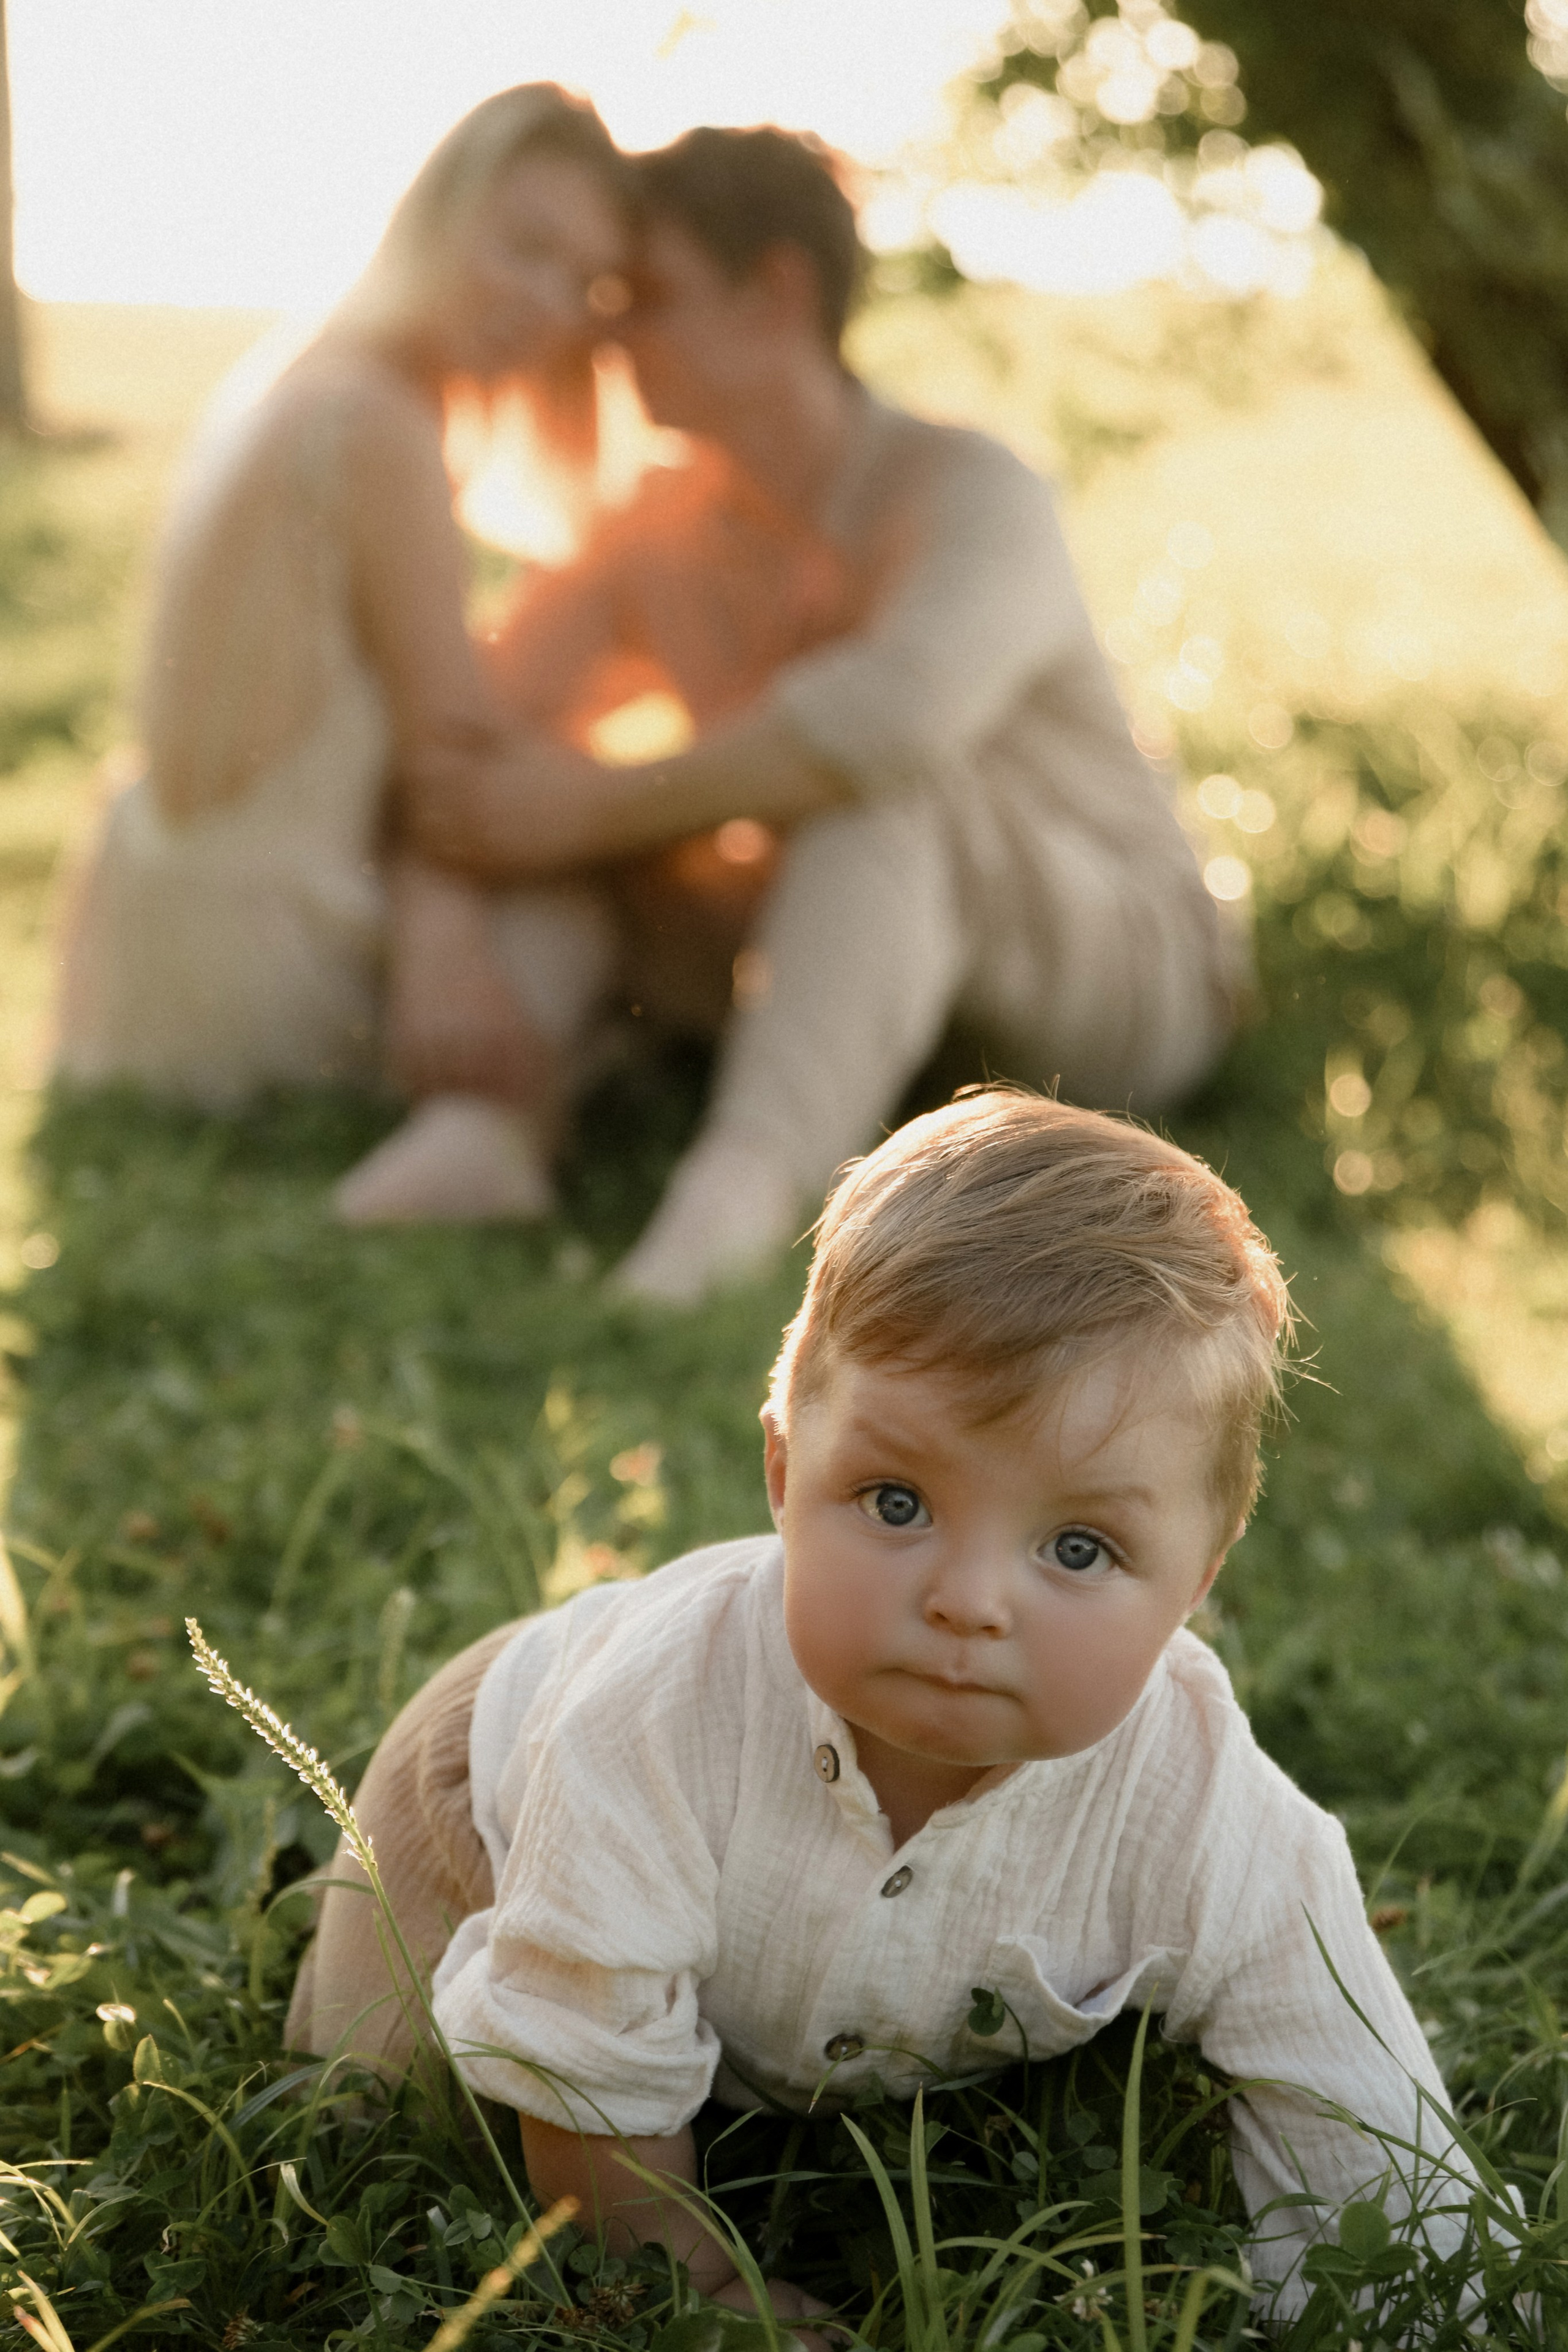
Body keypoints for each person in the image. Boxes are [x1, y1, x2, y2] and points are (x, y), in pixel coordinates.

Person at [285, 1088, 1471, 2323]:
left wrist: (1422, 2310)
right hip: (473, 1810)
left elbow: (1355, 2114)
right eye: (896, 1503)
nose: (966, 1603)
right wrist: (693, 2288)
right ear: (785, 1472)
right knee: (388, 2138)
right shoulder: (645, 1722)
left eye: (1074, 1548)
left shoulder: (1205, 1810)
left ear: (1196, 1580)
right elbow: (575, 2064)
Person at [397, 129, 1245, 1299]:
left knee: (867, 784)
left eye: (644, 294)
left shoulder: (969, 490)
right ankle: (489, 1128)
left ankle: (727, 1214)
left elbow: (889, 720)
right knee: (618, 824)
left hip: (1110, 978)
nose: (603, 330)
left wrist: (586, 805)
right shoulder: (656, 519)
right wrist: (449, 933)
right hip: (870, 980)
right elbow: (481, 735)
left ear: (775, 297)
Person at [53, 83, 634, 1217]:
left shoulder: (290, 373)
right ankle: (488, 1140)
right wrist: (447, 945)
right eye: (525, 248)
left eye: (586, 283)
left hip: (153, 943)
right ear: (440, 212)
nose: (549, 303)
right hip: (257, 972)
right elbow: (450, 753)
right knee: (580, 888)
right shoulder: (378, 422)